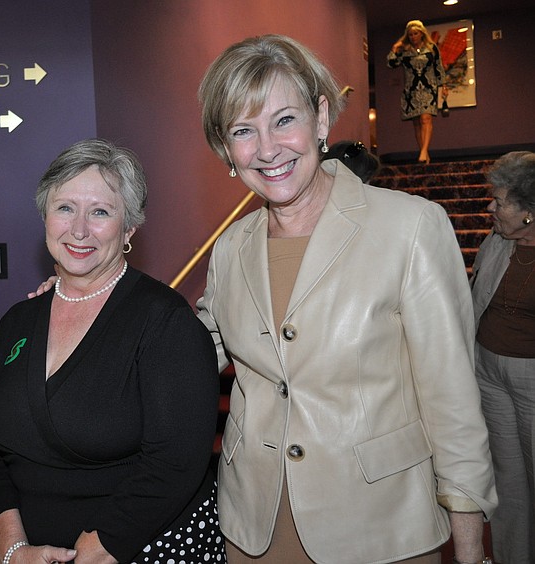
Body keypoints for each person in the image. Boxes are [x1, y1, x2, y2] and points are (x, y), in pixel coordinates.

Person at [196, 35, 496, 564]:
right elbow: (189, 351)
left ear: (320, 117)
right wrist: (85, 303)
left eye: (284, 120)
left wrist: (470, 550)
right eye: (244, 131)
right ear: (226, 150)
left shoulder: (411, 227)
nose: (267, 149)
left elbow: (453, 402)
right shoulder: (230, 247)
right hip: (254, 527)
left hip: (381, 526)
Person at [0, 138, 224, 564]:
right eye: (65, 208)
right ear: (45, 215)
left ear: (128, 229)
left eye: (100, 212)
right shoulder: (16, 322)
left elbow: (176, 464)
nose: (78, 229)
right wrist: (11, 547)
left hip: (141, 551)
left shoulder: (166, 323)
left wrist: (100, 547)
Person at [470, 151, 535, 564]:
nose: (490, 207)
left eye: (501, 201)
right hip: (489, 374)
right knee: (507, 483)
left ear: (529, 210)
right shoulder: (496, 242)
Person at [387, 20, 448, 164]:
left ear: (421, 33)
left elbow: (438, 66)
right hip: (411, 90)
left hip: (428, 87)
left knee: (426, 118)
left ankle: (423, 151)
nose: (413, 36)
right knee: (417, 123)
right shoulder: (405, 50)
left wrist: (443, 85)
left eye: (416, 33)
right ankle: (425, 154)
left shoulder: (431, 48)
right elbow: (391, 64)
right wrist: (395, 48)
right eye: (411, 34)